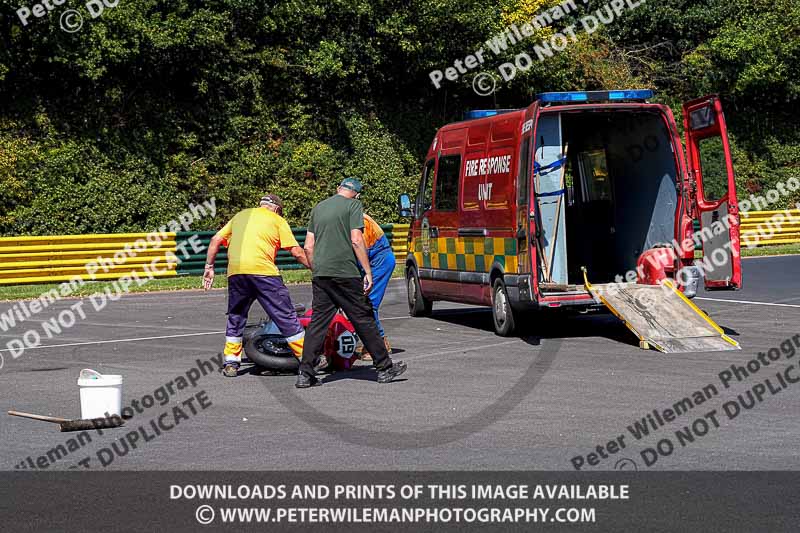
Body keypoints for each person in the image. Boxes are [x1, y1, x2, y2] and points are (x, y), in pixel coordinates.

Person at [296, 178, 407, 388]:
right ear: (356, 194)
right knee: (363, 317)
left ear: (338, 189)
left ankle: (305, 373)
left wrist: (317, 269)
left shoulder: (318, 208)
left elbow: (308, 247)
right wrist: (367, 271)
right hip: (345, 273)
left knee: (318, 323)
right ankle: (384, 368)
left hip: (321, 274)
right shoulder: (354, 205)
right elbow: (357, 240)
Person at [203, 194, 310, 377]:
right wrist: (314, 268)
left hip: (236, 273)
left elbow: (215, 240)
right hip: (263, 273)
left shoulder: (240, 215)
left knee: (236, 316)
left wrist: (209, 267)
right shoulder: (277, 220)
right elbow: (296, 251)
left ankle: (231, 362)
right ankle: (308, 359)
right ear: (277, 209)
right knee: (284, 315)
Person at [356, 213, 396, 361]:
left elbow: (359, 250)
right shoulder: (348, 216)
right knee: (359, 303)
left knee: (368, 304)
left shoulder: (359, 221)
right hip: (371, 260)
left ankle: (379, 344)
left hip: (378, 261)